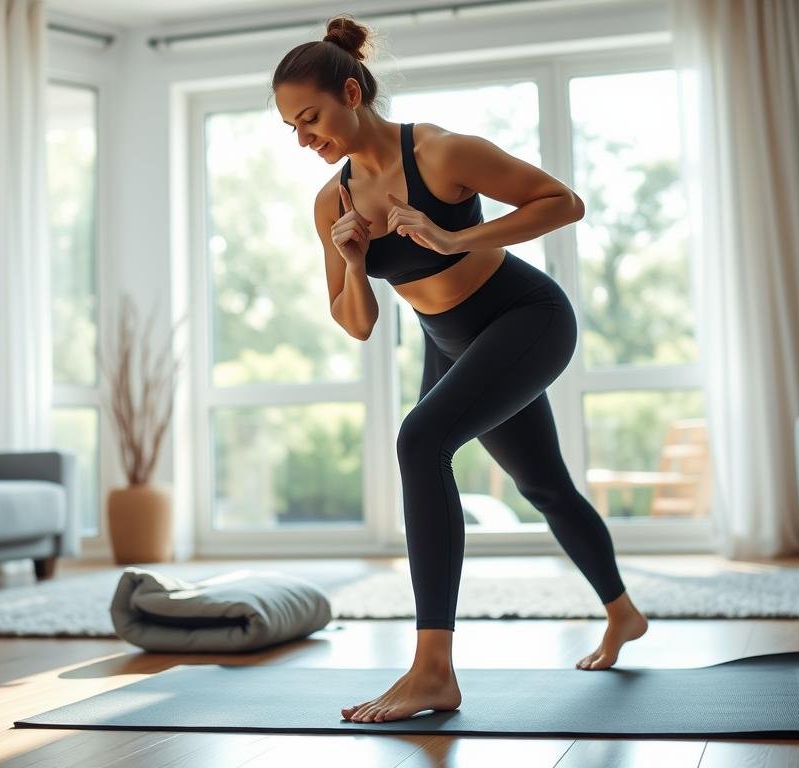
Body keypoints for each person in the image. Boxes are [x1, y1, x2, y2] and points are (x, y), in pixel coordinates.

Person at [271, 14, 648, 724]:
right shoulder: (334, 201)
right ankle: (624, 612)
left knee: (421, 441)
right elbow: (356, 323)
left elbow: (564, 202)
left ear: (352, 93)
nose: (303, 138)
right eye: (292, 127)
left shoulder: (440, 154)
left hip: (525, 318)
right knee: (544, 485)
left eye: (311, 118)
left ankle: (433, 670)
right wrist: (354, 264)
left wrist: (454, 234)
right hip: (447, 340)